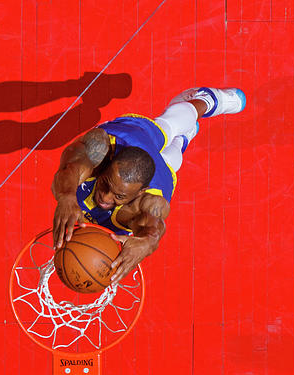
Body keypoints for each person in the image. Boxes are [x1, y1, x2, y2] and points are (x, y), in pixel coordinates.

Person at [51, 86, 247, 282]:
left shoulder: (146, 203)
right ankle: (196, 120)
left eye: (118, 196)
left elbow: (155, 224)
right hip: (131, 134)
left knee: (170, 143)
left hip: (150, 153)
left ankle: (196, 120)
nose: (105, 197)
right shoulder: (99, 151)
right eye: (105, 184)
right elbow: (70, 167)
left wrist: (148, 241)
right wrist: (67, 196)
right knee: (171, 140)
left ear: (140, 192)